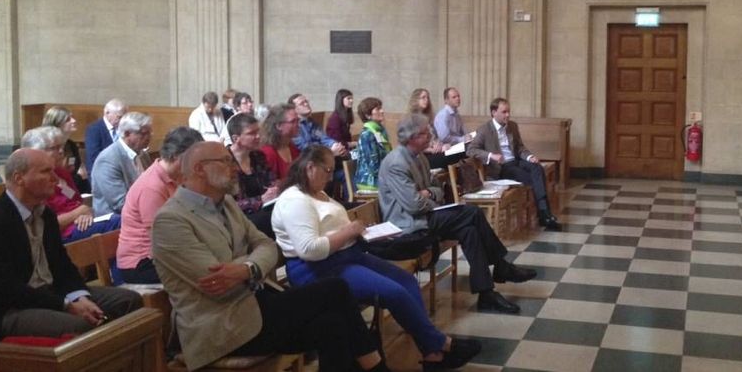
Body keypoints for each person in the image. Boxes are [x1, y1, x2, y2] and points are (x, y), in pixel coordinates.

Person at [152, 142, 389, 372]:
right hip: (220, 325)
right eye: (225, 162)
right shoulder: (171, 220)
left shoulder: (225, 203)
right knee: (334, 289)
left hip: (255, 303)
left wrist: (247, 268)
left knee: (332, 325)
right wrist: (253, 263)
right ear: (199, 169)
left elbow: (267, 245)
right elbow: (215, 279)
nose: (235, 168)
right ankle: (378, 368)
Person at [272, 145, 481, 371]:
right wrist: (349, 231)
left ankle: (432, 354)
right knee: (394, 292)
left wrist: (358, 230)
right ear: (310, 167)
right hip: (317, 269)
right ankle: (441, 345)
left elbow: (331, 227)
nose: (331, 177)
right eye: (328, 170)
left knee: (407, 281)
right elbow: (309, 249)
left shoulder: (317, 192)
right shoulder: (295, 200)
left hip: (346, 255)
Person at [0, 148, 142, 340]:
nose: (55, 178)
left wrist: (79, 296)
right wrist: (66, 304)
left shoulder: (45, 214)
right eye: (46, 172)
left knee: (128, 301)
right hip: (8, 309)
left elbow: (62, 265)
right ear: (19, 178)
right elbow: (7, 288)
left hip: (50, 293)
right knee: (82, 326)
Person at [379, 114, 536, 314]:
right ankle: (501, 265)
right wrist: (430, 195)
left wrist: (428, 193)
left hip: (425, 215)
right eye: (425, 133)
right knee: (471, 212)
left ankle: (486, 293)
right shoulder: (396, 163)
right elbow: (413, 205)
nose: (429, 137)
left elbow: (437, 188)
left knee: (469, 230)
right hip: (408, 225)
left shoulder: (420, 158)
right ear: (412, 137)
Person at [117, 126, 203, 284]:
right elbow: (162, 238)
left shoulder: (178, 177)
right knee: (207, 274)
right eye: (195, 159)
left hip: (164, 253)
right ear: (179, 157)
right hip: (142, 263)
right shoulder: (152, 186)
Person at [468, 98, 560, 231]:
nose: (508, 115)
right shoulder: (484, 130)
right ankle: (544, 214)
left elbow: (520, 148)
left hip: (516, 161)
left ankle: (544, 214)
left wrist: (530, 157)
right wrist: (491, 156)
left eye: (509, 111)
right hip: (501, 167)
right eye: (504, 112)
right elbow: (471, 150)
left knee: (537, 168)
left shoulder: (512, 126)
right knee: (532, 178)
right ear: (494, 112)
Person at [20, 126, 121, 243]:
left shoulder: (62, 172)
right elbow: (46, 225)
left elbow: (78, 201)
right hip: (62, 233)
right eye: (55, 148)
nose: (61, 151)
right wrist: (78, 213)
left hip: (81, 223)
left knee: (123, 222)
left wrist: (86, 213)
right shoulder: (35, 181)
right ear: (38, 151)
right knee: (119, 223)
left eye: (61, 146)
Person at [91, 111, 153, 216]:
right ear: (127, 133)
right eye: (143, 133)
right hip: (114, 218)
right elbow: (119, 203)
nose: (149, 137)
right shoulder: (108, 159)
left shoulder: (143, 154)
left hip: (140, 211)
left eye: (150, 133)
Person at [228, 113, 279, 237]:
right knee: (270, 219)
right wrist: (260, 200)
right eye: (252, 133)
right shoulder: (225, 161)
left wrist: (274, 189)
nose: (258, 137)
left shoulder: (258, 156)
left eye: (258, 132)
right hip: (238, 217)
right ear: (236, 138)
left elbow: (270, 180)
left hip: (264, 208)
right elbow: (228, 204)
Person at [42, 106, 89, 194]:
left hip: (71, 188)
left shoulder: (71, 145)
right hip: (54, 192)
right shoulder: (45, 146)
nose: (74, 121)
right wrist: (79, 177)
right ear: (57, 123)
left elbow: (78, 172)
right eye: (68, 119)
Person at [408, 88, 457, 169]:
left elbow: (436, 138)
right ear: (416, 100)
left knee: (458, 153)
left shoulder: (428, 119)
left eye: (427, 98)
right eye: (423, 97)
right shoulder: (412, 120)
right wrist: (430, 149)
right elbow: (412, 146)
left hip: (435, 153)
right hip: (422, 157)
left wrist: (440, 145)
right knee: (453, 156)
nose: (426, 100)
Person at [353, 97, 391, 192]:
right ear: (368, 115)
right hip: (369, 181)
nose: (382, 111)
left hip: (382, 175)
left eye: (381, 108)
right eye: (378, 109)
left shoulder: (380, 130)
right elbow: (373, 167)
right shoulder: (367, 135)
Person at [83, 98, 128, 178]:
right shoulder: (94, 129)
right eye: (119, 117)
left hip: (120, 172)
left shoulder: (123, 129)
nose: (122, 121)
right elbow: (94, 155)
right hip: (99, 173)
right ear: (107, 113)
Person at [259, 104, 301, 182]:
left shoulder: (292, 148)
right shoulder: (268, 152)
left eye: (298, 120)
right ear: (279, 126)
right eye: (293, 121)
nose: (298, 124)